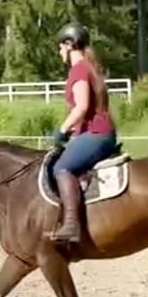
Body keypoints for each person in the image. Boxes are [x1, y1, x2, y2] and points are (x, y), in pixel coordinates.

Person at [48, 21, 119, 244]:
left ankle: (71, 225)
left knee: (62, 166)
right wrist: (75, 132)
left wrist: (62, 129)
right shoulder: (89, 67)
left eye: (61, 47)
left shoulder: (78, 70)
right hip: (96, 131)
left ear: (69, 44)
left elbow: (81, 107)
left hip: (98, 133)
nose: (60, 51)